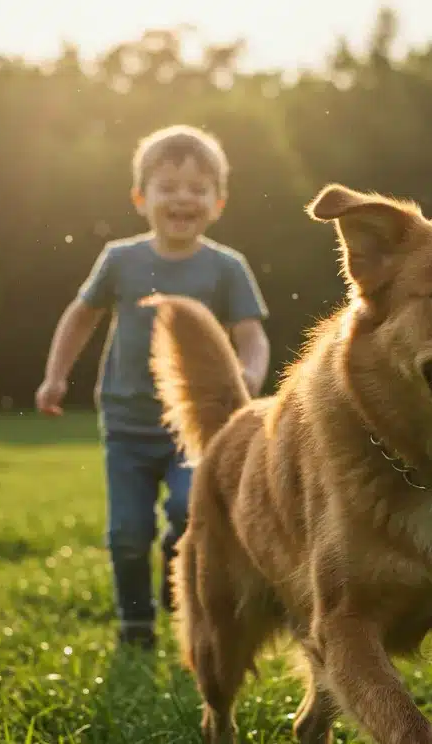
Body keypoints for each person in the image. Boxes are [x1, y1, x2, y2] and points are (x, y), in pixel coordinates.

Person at [35, 124, 270, 650]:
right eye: (168, 186)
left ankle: (177, 574)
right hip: (126, 422)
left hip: (198, 426)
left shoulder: (226, 268)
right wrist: (56, 376)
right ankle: (135, 624)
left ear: (218, 202)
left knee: (192, 513)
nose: (182, 198)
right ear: (141, 198)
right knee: (125, 532)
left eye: (197, 188)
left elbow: (251, 335)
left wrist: (249, 376)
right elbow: (81, 316)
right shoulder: (121, 260)